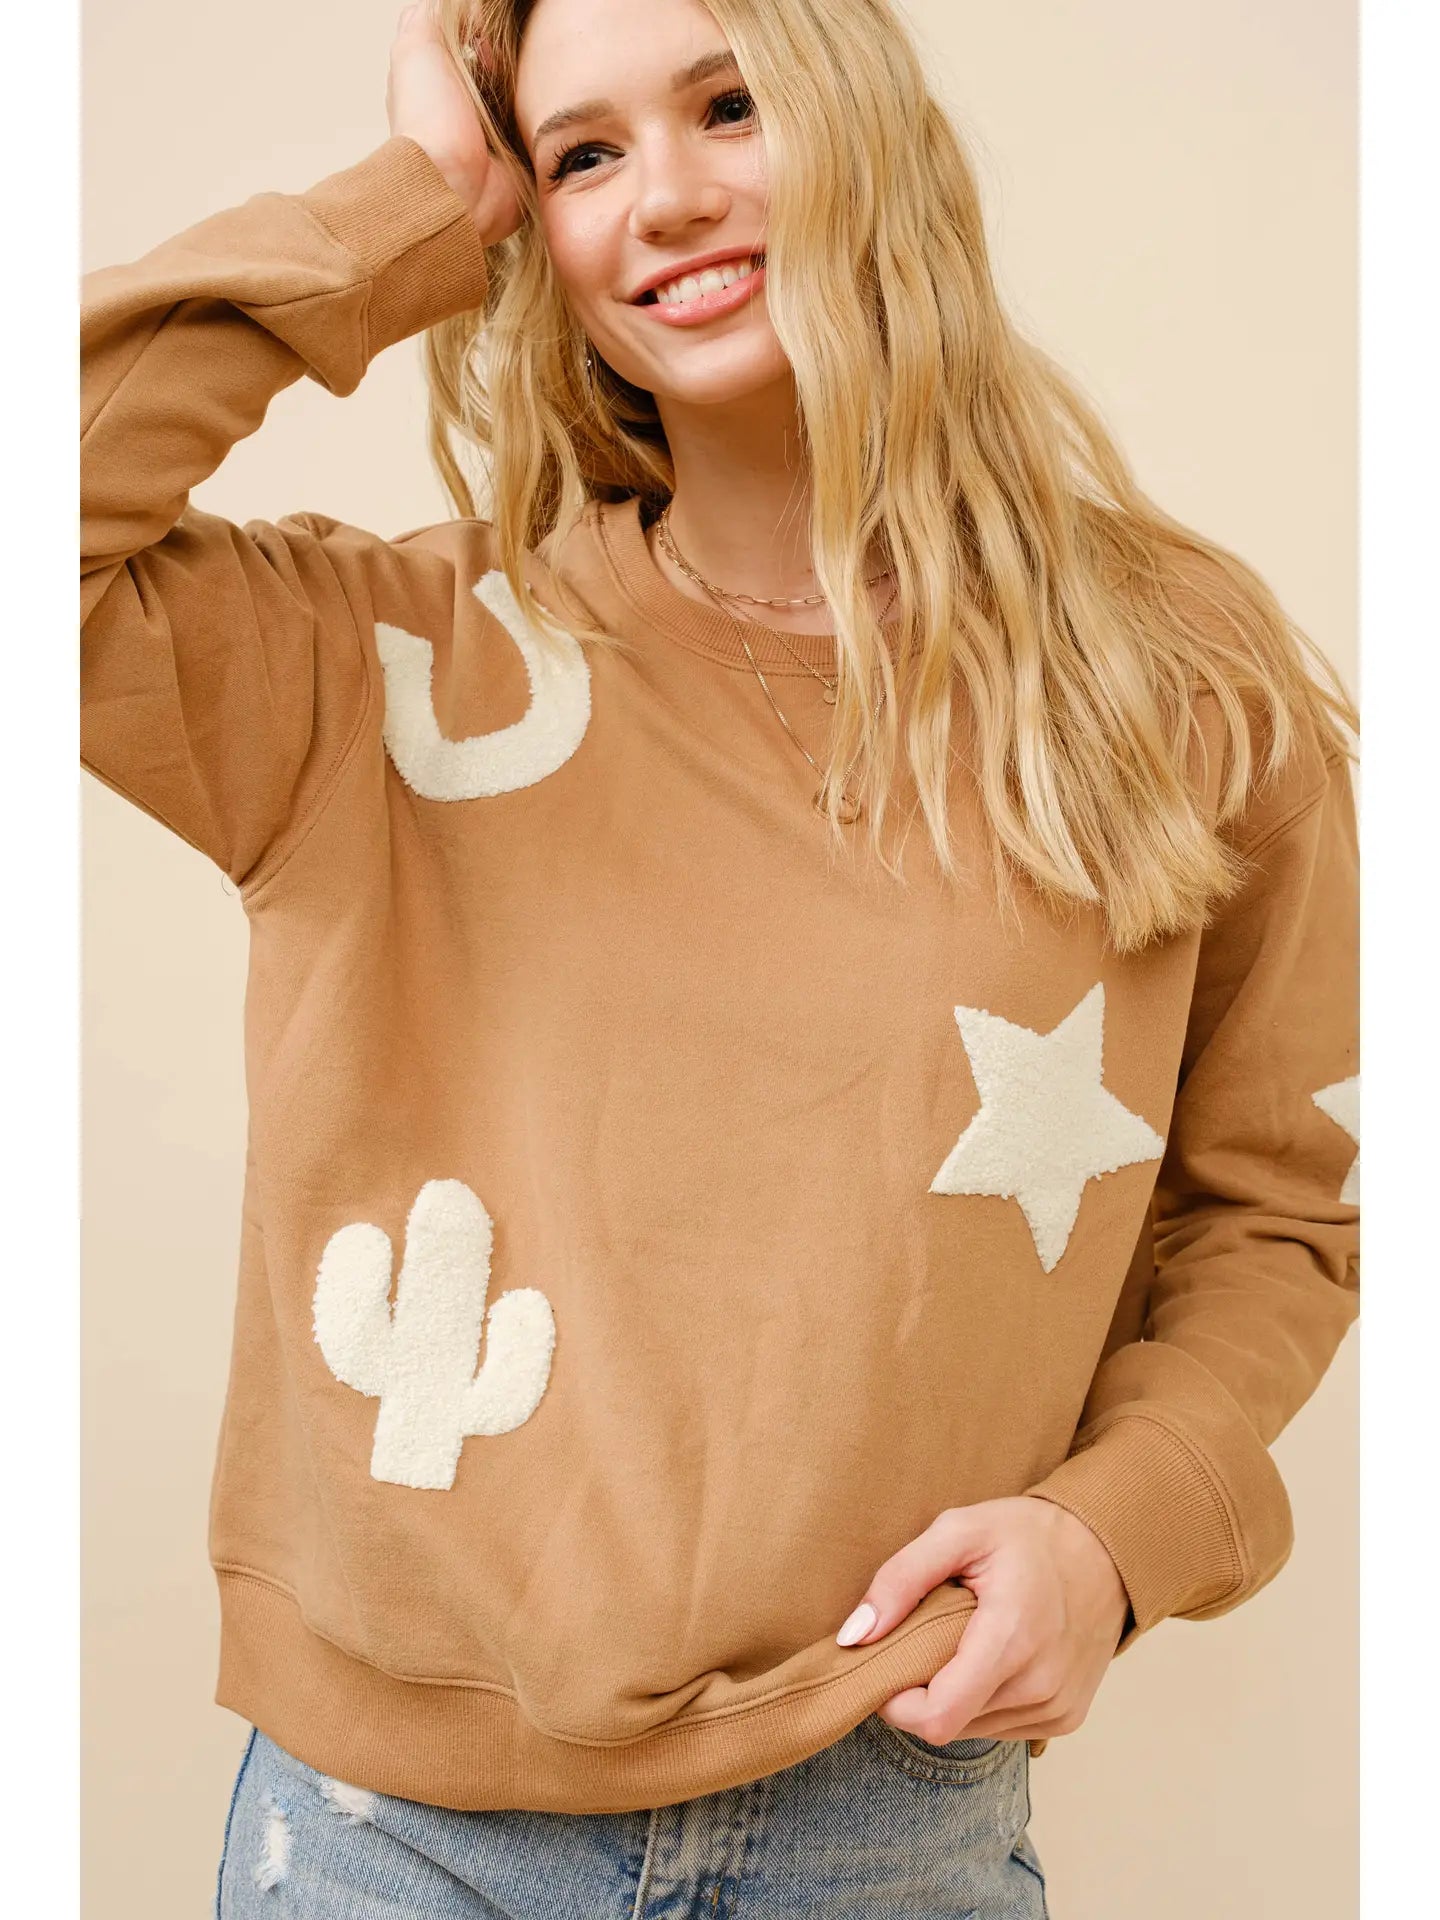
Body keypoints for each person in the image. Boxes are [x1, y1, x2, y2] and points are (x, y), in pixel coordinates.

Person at [80, 0, 1359, 1912]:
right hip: (390, 1840)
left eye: (730, 105)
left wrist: (1116, 1537)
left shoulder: (1172, 678)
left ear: (866, 123)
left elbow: (1277, 1206)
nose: (665, 196)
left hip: (894, 1808)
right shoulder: (385, 664)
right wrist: (413, 200)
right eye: (582, 154)